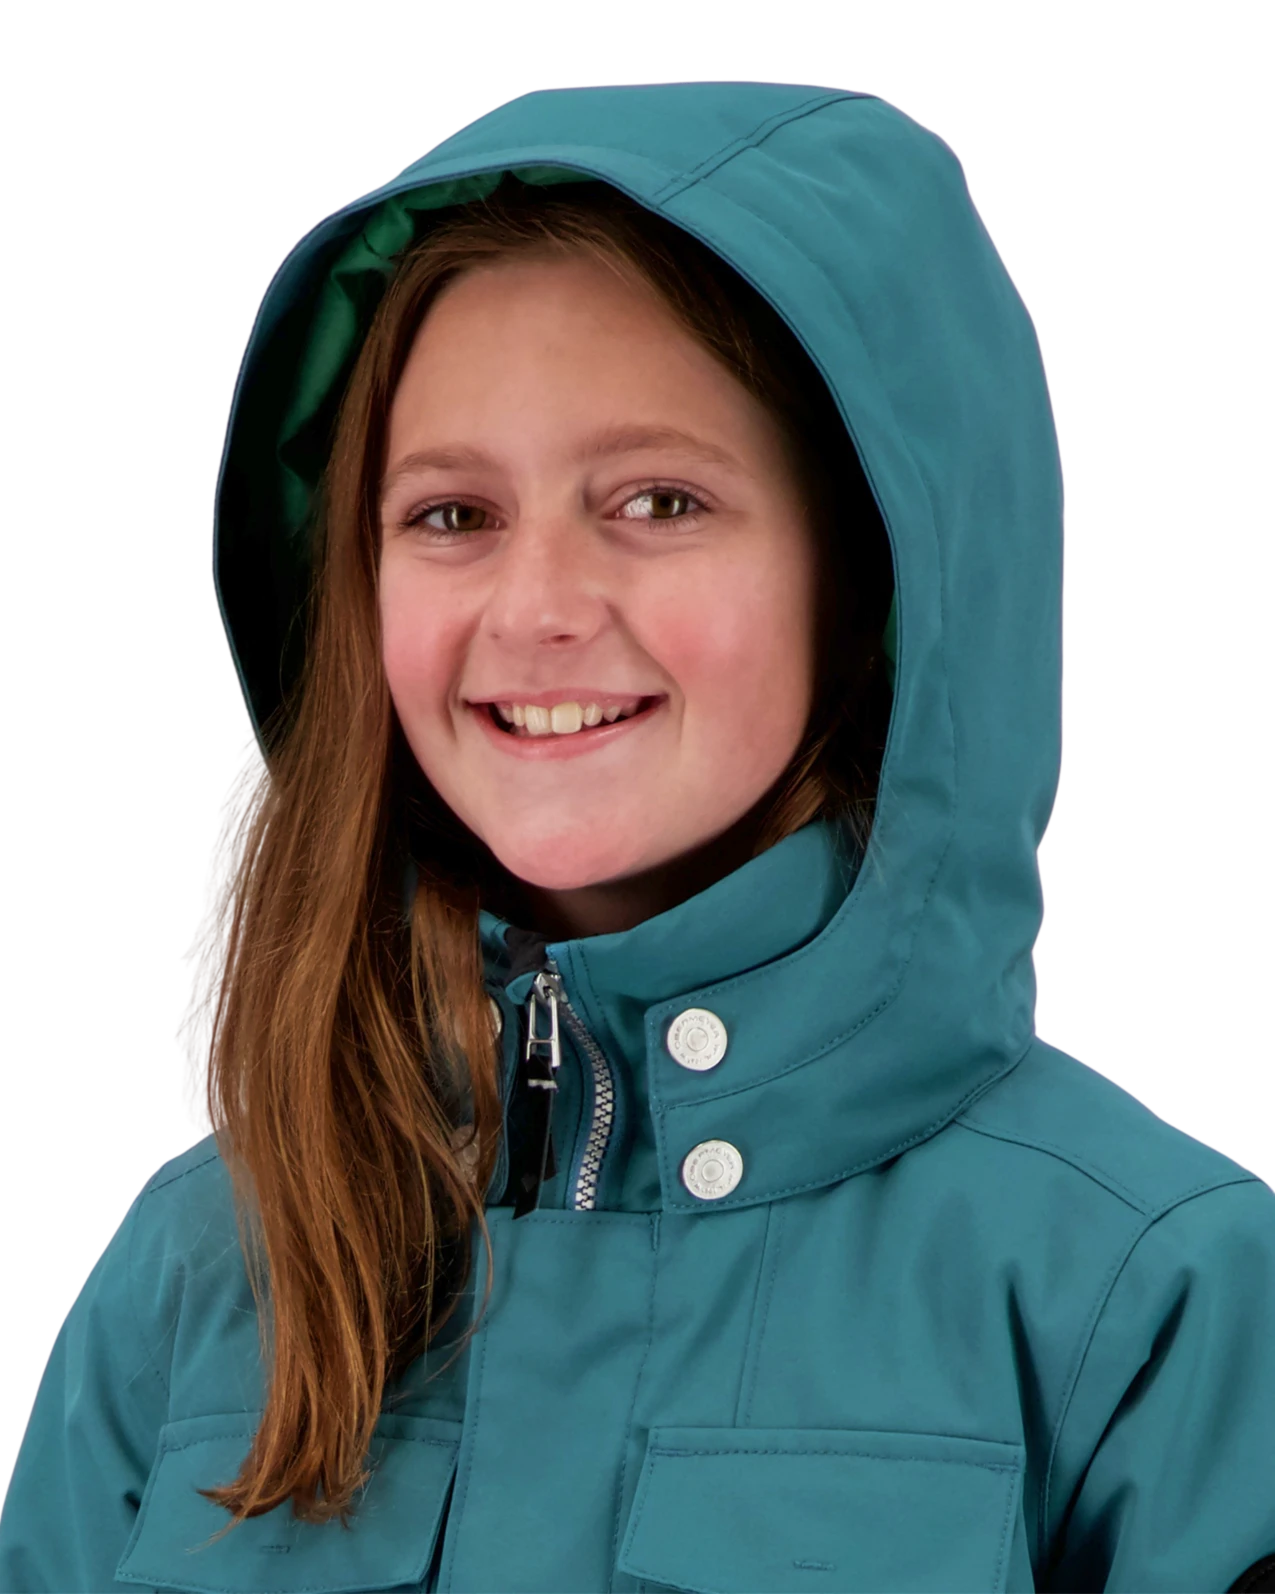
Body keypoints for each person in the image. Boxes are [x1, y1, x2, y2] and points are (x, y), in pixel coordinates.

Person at [2, 83, 1272, 1593]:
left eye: (659, 500)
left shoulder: (1150, 1289)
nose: (537, 605)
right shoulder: (199, 1274)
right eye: (452, 514)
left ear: (874, 573)